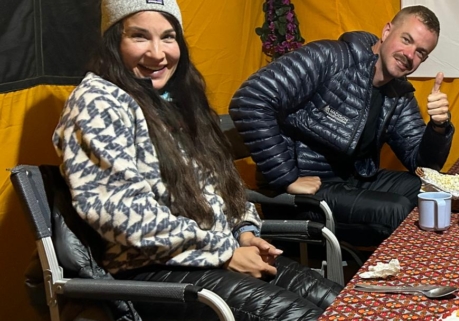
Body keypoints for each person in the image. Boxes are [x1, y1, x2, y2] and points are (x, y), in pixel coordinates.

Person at [52, 0, 341, 319]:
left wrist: (245, 232)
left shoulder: (173, 102)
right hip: (153, 273)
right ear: (112, 42)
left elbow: (221, 186)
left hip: (212, 256)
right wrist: (226, 251)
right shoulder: (98, 102)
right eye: (139, 36)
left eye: (168, 36)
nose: (157, 53)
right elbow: (121, 214)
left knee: (342, 302)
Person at [229, 5, 454, 246]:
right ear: (387, 30)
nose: (409, 55)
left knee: (431, 192)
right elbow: (250, 99)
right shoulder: (330, 57)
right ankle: (410, 277)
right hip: (301, 191)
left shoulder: (398, 92)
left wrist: (438, 127)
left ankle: (442, 269)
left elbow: (422, 165)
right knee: (395, 211)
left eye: (420, 52)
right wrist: (287, 178)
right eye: (406, 40)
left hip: (351, 180)